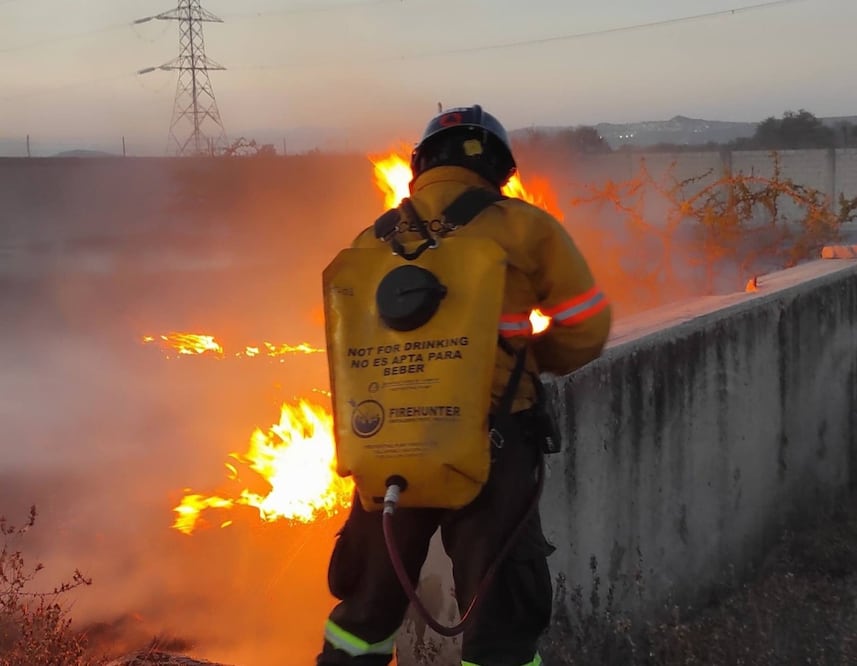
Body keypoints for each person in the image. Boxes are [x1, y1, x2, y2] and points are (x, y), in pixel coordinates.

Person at [317, 105, 612, 666]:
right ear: (499, 169)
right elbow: (587, 327)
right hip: (491, 442)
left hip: (388, 448)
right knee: (500, 616)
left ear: (421, 166)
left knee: (365, 609)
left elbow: (351, 345)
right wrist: (524, 366)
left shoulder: (372, 238)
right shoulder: (525, 226)